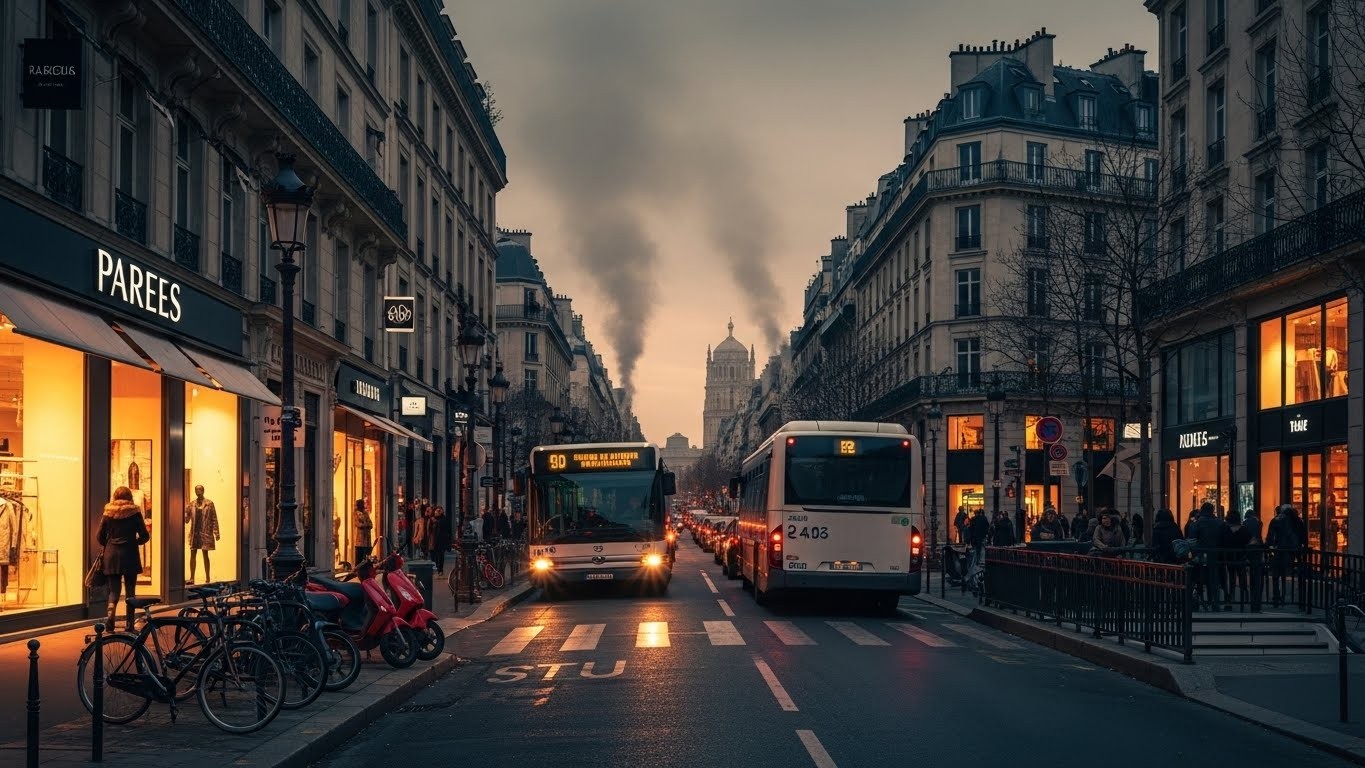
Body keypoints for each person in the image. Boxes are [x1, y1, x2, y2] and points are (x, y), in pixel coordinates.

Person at [98, 486, 150, 632]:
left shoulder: (108, 513)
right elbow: (145, 535)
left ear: (115, 496)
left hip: (112, 555)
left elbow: (99, 536)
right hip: (130, 554)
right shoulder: (134, 512)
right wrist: (135, 542)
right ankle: (129, 624)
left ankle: (110, 617)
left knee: (114, 590)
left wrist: (109, 544)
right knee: (130, 591)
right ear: (129, 497)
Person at [353, 499, 374, 566]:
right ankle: (358, 569)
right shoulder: (356, 514)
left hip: (367, 540)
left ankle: (365, 568)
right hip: (360, 540)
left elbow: (370, 524)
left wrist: (366, 525)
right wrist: (365, 525)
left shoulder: (365, 513)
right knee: (359, 556)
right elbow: (358, 524)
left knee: (366, 556)